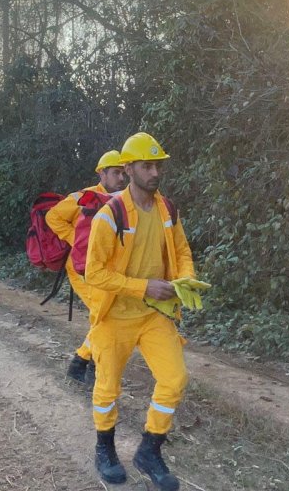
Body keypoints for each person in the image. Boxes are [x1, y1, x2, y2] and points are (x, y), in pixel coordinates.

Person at [82, 132, 194, 490]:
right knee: (107, 388)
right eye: (147, 166)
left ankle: (149, 449)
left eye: (157, 164)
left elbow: (183, 251)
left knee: (174, 379)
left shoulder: (168, 209)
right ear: (128, 169)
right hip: (115, 314)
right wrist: (142, 285)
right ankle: (105, 450)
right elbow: (94, 272)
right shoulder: (108, 215)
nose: (154, 172)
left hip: (154, 314)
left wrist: (187, 279)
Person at [44, 150, 128, 384]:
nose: (121, 178)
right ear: (102, 173)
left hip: (107, 268)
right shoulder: (83, 197)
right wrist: (78, 241)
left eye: (123, 173)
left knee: (104, 315)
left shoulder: (124, 199)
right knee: (104, 315)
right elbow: (52, 217)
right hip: (82, 268)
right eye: (115, 173)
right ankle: (90, 367)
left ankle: (81, 363)